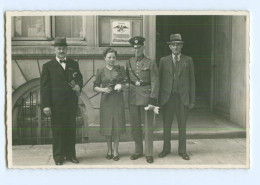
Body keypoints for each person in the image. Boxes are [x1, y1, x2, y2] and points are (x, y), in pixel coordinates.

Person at [41, 37, 83, 165]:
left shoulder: (73, 64)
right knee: (58, 131)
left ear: (66, 50)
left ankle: (71, 155)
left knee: (71, 129)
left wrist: (78, 86)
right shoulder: (48, 66)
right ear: (55, 50)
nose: (61, 51)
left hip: (71, 103)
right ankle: (58, 157)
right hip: (56, 105)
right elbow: (44, 87)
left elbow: (80, 78)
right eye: (59, 48)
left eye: (63, 49)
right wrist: (46, 105)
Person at [158, 33, 195, 160]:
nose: (175, 47)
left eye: (178, 45)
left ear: (181, 46)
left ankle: (182, 151)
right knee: (166, 126)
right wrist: (158, 100)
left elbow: (192, 81)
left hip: (182, 98)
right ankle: (165, 149)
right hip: (167, 98)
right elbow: (160, 81)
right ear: (170, 47)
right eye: (173, 45)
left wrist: (192, 100)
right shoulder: (163, 60)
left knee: (182, 126)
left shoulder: (188, 60)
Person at [126, 36, 159, 163]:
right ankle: (138, 150)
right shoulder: (129, 62)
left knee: (148, 127)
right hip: (133, 97)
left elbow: (155, 81)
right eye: (134, 48)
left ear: (143, 47)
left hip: (146, 97)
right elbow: (128, 80)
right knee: (135, 126)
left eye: (138, 48)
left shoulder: (150, 62)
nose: (136, 50)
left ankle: (149, 153)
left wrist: (153, 99)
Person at [93, 48, 127, 161]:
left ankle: (116, 150)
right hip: (106, 101)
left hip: (117, 101)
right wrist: (103, 90)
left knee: (117, 126)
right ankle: (109, 150)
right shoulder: (101, 71)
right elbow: (95, 87)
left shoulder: (121, 69)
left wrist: (121, 86)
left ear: (115, 58)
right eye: (109, 57)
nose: (111, 59)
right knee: (107, 126)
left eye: (113, 57)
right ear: (105, 58)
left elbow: (127, 83)